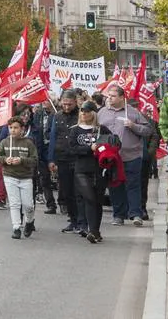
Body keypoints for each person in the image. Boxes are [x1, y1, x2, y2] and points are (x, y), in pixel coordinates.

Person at [98, 84, 151, 227]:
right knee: (115, 186)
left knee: (133, 185)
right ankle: (118, 215)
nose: (110, 98)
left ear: (122, 97)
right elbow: (96, 132)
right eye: (109, 95)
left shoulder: (133, 112)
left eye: (113, 96)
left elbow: (147, 131)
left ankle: (135, 214)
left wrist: (133, 126)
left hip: (132, 156)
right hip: (112, 158)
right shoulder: (102, 112)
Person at [68, 101, 116, 244]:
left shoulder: (102, 129)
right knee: (90, 198)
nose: (84, 113)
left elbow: (113, 145)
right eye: (82, 111)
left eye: (87, 111)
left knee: (98, 201)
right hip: (81, 170)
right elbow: (72, 149)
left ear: (93, 113)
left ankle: (95, 231)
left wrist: (109, 145)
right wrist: (90, 148)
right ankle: (92, 231)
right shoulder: (75, 130)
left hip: (99, 170)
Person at [49, 90, 86, 234]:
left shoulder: (81, 115)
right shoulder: (57, 116)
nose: (66, 107)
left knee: (79, 192)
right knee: (66, 192)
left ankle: (82, 221)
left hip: (77, 158)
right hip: (62, 158)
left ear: (75, 102)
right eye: (64, 104)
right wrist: (51, 159)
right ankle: (73, 220)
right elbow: (53, 137)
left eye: (69, 104)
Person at [0, 115, 39, 239]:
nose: (13, 130)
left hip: (25, 177)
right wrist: (6, 160)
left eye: (16, 128)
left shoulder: (29, 143)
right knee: (15, 203)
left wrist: (21, 160)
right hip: (10, 176)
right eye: (10, 128)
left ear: (22, 129)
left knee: (28, 205)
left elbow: (34, 160)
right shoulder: (5, 142)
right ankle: (16, 227)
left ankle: (29, 221)